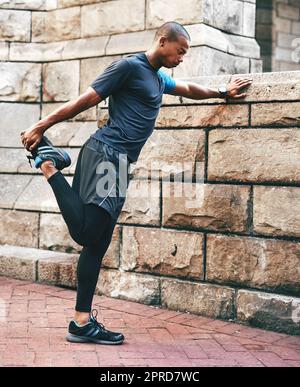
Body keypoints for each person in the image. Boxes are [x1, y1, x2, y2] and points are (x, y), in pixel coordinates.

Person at [20, 21, 253, 345]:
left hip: (118, 162)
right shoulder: (129, 67)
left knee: (96, 243)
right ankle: (49, 166)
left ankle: (81, 323)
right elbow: (87, 99)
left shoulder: (157, 78)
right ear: (163, 41)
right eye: (180, 51)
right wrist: (41, 125)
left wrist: (221, 92)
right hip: (107, 154)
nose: (182, 58)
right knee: (86, 232)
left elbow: (187, 89)